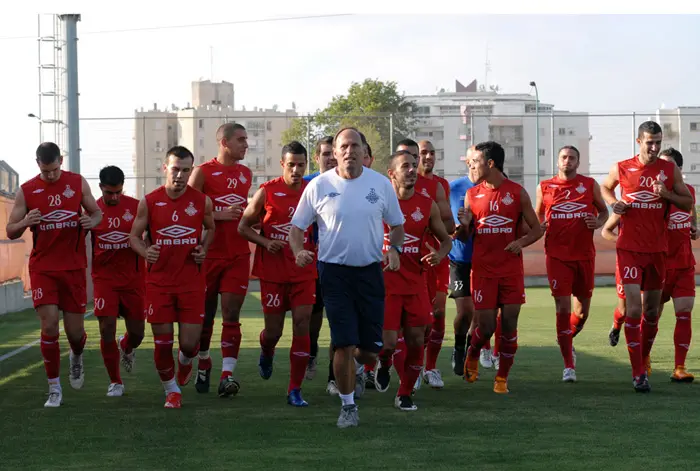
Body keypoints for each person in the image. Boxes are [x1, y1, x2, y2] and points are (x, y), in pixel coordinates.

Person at [289, 127, 405, 428]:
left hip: (370, 273)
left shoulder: (380, 184)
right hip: (334, 273)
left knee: (369, 349)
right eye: (344, 146)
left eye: (355, 145)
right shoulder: (318, 185)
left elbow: (397, 225)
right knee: (342, 342)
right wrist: (299, 251)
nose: (350, 150)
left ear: (364, 151)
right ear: (335, 152)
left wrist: (394, 249)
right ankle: (348, 406)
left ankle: (357, 366)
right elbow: (297, 228)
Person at [5, 142, 102, 407]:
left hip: (72, 268)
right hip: (43, 268)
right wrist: (25, 222)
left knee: (75, 334)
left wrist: (89, 222)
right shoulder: (27, 190)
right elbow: (10, 229)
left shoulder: (77, 183)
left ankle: (76, 356)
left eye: (55, 170)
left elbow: (97, 213)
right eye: (46, 171)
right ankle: (54, 389)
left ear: (61, 160)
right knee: (48, 326)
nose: (51, 175)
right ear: (38, 164)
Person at [600, 121, 693, 392]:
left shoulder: (668, 169)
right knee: (634, 309)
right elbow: (606, 187)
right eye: (649, 142)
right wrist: (612, 202)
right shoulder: (622, 167)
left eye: (658, 142)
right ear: (638, 141)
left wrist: (667, 194)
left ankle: (642, 359)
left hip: (658, 251)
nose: (654, 147)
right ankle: (638, 373)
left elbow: (687, 202)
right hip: (629, 250)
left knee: (652, 312)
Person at [129, 146, 215, 408]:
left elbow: (210, 228)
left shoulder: (201, 201)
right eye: (175, 169)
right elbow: (133, 237)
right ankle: (171, 391)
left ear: (191, 171)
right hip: (159, 284)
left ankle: (186, 361)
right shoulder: (150, 201)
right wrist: (147, 251)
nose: (179, 175)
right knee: (162, 343)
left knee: (190, 345)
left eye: (185, 170)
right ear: (164, 168)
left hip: (191, 283)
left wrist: (203, 248)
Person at [459, 141, 543, 394]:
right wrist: (463, 226)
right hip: (483, 270)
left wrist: (520, 242)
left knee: (509, 325)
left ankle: (502, 378)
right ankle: (473, 352)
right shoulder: (472, 194)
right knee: (485, 328)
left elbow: (537, 229)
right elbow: (465, 237)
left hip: (510, 271)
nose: (472, 165)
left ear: (491, 163)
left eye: (476, 161)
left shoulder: (517, 193)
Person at [238, 141, 317, 407]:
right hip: (273, 273)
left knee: (302, 323)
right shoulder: (267, 191)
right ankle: (267, 350)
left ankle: (295, 388)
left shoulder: (313, 191)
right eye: (291, 164)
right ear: (282, 164)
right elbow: (243, 227)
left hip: (304, 271)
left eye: (301, 165)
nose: (296, 170)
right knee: (274, 332)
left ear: (307, 165)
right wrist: (265, 242)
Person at [372, 150, 452, 411]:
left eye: (413, 166)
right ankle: (383, 362)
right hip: (386, 286)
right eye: (405, 166)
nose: (411, 170)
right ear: (391, 173)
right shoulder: (377, 203)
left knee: (418, 340)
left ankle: (404, 393)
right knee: (388, 344)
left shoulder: (426, 205)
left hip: (416, 283)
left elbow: (447, 239)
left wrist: (439, 255)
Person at [188, 123, 252, 397]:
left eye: (246, 139)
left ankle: (227, 375)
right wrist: (216, 215)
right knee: (204, 318)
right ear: (224, 143)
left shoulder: (246, 174)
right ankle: (203, 360)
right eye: (240, 140)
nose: (246, 144)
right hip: (208, 255)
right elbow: (186, 209)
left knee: (231, 314)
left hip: (237, 255)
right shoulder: (202, 172)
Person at [534, 146, 608, 382]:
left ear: (578, 162)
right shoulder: (545, 186)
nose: (568, 161)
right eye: (564, 157)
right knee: (562, 308)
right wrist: (539, 227)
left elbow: (604, 212)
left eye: (572, 158)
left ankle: (565, 337)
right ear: (557, 161)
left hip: (584, 255)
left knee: (582, 312)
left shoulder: (589, 185)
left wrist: (597, 222)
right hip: (556, 257)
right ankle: (568, 365)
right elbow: (536, 216)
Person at [393, 138, 454, 390]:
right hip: (401, 263)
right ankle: (402, 369)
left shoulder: (438, 187)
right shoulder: (387, 190)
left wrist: (459, 222)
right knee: (398, 323)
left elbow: (448, 228)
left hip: (432, 259)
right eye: (421, 154)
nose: (425, 158)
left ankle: (430, 367)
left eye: (428, 153)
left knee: (436, 314)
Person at [90, 165, 146, 396]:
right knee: (106, 329)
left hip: (133, 279)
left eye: (118, 192)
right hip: (105, 280)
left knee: (138, 334)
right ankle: (115, 381)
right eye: (109, 193)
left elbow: (152, 233)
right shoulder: (91, 211)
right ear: (100, 187)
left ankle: (127, 345)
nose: (114, 197)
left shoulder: (136, 207)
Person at [302, 136, 336, 385]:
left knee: (339, 321)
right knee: (312, 320)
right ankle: (311, 352)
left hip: (338, 263)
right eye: (325, 153)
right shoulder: (306, 184)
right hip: (312, 264)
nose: (330, 158)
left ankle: (335, 376)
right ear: (316, 158)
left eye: (332, 153)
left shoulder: (348, 182)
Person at [448, 146, 477, 376]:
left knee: (483, 314)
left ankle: (473, 346)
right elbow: (447, 222)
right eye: (472, 160)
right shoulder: (454, 188)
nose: (475, 163)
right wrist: (457, 229)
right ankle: (459, 346)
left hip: (487, 259)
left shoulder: (498, 188)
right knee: (466, 310)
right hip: (460, 258)